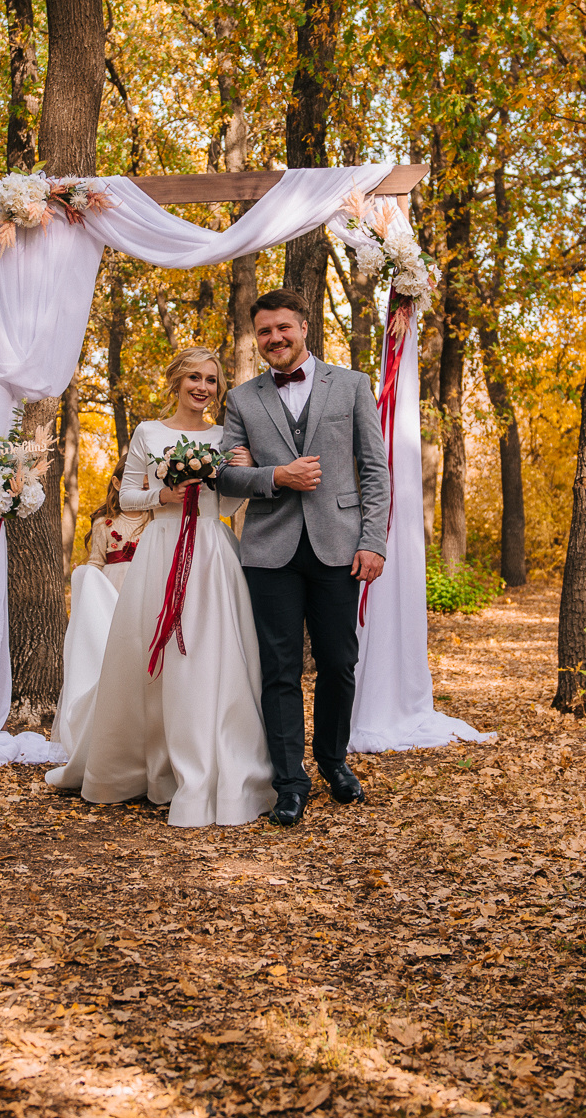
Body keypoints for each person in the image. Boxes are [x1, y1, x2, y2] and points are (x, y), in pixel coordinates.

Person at [45, 348, 276, 826]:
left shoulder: (224, 436)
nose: (203, 387)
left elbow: (229, 504)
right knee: (157, 654)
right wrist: (162, 496)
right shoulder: (149, 432)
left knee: (213, 655)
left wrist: (243, 468)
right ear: (176, 380)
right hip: (162, 548)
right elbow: (128, 495)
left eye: (212, 380)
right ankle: (153, 763)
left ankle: (214, 760)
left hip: (212, 552)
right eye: (194, 377)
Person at [216, 290, 390, 827]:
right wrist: (274, 477)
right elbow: (224, 472)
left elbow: (374, 471)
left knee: (339, 662)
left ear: (304, 326)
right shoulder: (243, 400)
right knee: (280, 669)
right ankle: (290, 782)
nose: (275, 339)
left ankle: (334, 761)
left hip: (339, 544)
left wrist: (373, 541)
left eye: (283, 328)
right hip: (270, 552)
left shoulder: (353, 384)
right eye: (265, 332)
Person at [51, 474, 149, 760]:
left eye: (146, 485)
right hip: (111, 589)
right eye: (136, 484)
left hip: (144, 586)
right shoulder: (103, 524)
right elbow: (97, 560)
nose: (143, 490)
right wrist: (86, 580)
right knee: (113, 651)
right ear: (117, 483)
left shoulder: (154, 519)